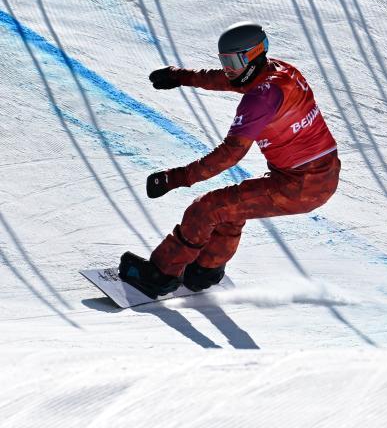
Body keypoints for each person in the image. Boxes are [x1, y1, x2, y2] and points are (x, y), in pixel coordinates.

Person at [119, 22, 340, 298]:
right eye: (224, 61)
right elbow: (226, 79)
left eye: (234, 61)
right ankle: (204, 271)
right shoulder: (279, 71)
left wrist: (174, 178)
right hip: (318, 172)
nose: (228, 68)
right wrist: (180, 76)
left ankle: (160, 275)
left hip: (300, 185)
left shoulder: (260, 98)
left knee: (205, 209)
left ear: (255, 54)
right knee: (229, 209)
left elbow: (229, 155)